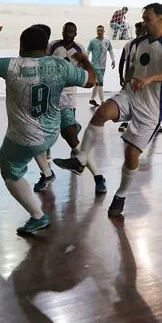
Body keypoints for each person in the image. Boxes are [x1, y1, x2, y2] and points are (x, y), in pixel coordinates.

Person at [53, 3, 162, 217]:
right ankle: (81, 159)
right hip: (131, 95)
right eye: (143, 19)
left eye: (147, 19)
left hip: (151, 109)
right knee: (102, 112)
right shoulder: (137, 43)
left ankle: (121, 194)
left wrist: (151, 78)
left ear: (161, 19)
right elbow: (132, 66)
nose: (143, 23)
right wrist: (128, 81)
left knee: (130, 155)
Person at [0, 21, 96, 234]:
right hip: (50, 134)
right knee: (9, 148)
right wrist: (86, 62)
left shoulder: (13, 66)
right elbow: (91, 81)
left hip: (25, 137)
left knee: (11, 173)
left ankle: (37, 216)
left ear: (21, 48)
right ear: (46, 46)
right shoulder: (59, 65)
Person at [32, 22, 107, 194]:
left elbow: (89, 79)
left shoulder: (74, 53)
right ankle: (47, 172)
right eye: (66, 31)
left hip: (66, 96)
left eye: (72, 32)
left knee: (70, 136)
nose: (68, 34)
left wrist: (85, 61)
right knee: (39, 140)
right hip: (48, 97)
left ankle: (93, 173)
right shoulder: (48, 51)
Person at [117, 22, 162, 135]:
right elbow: (123, 60)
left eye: (141, 30)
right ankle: (125, 122)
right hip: (132, 78)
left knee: (148, 101)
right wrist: (122, 76)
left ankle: (155, 123)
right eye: (137, 30)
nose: (139, 32)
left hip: (146, 79)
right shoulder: (130, 44)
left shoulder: (154, 44)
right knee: (129, 99)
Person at [87, 25, 116, 107]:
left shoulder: (107, 41)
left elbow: (111, 51)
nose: (99, 32)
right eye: (98, 31)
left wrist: (113, 60)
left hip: (103, 66)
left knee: (97, 84)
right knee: (100, 83)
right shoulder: (92, 41)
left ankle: (92, 99)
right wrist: (86, 62)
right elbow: (88, 52)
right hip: (95, 66)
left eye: (101, 31)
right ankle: (103, 102)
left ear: (103, 31)